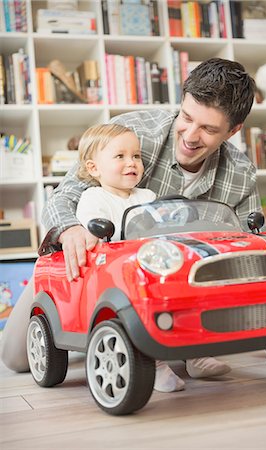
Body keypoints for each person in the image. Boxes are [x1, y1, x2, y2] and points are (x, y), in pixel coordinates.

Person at [1, 57, 259, 381]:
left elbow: (250, 240)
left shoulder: (241, 174)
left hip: (175, 284)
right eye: (187, 117)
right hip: (91, 263)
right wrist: (69, 230)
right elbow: (63, 195)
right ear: (181, 102)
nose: (191, 136)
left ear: (233, 130)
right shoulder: (134, 135)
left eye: (208, 129)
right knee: (15, 357)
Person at [75, 122, 186, 393]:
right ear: (94, 168)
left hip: (153, 264)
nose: (132, 162)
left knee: (183, 294)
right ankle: (157, 365)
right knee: (144, 307)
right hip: (116, 273)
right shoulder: (94, 199)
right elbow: (94, 235)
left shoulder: (146, 196)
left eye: (136, 156)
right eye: (120, 156)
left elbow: (162, 228)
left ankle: (198, 353)